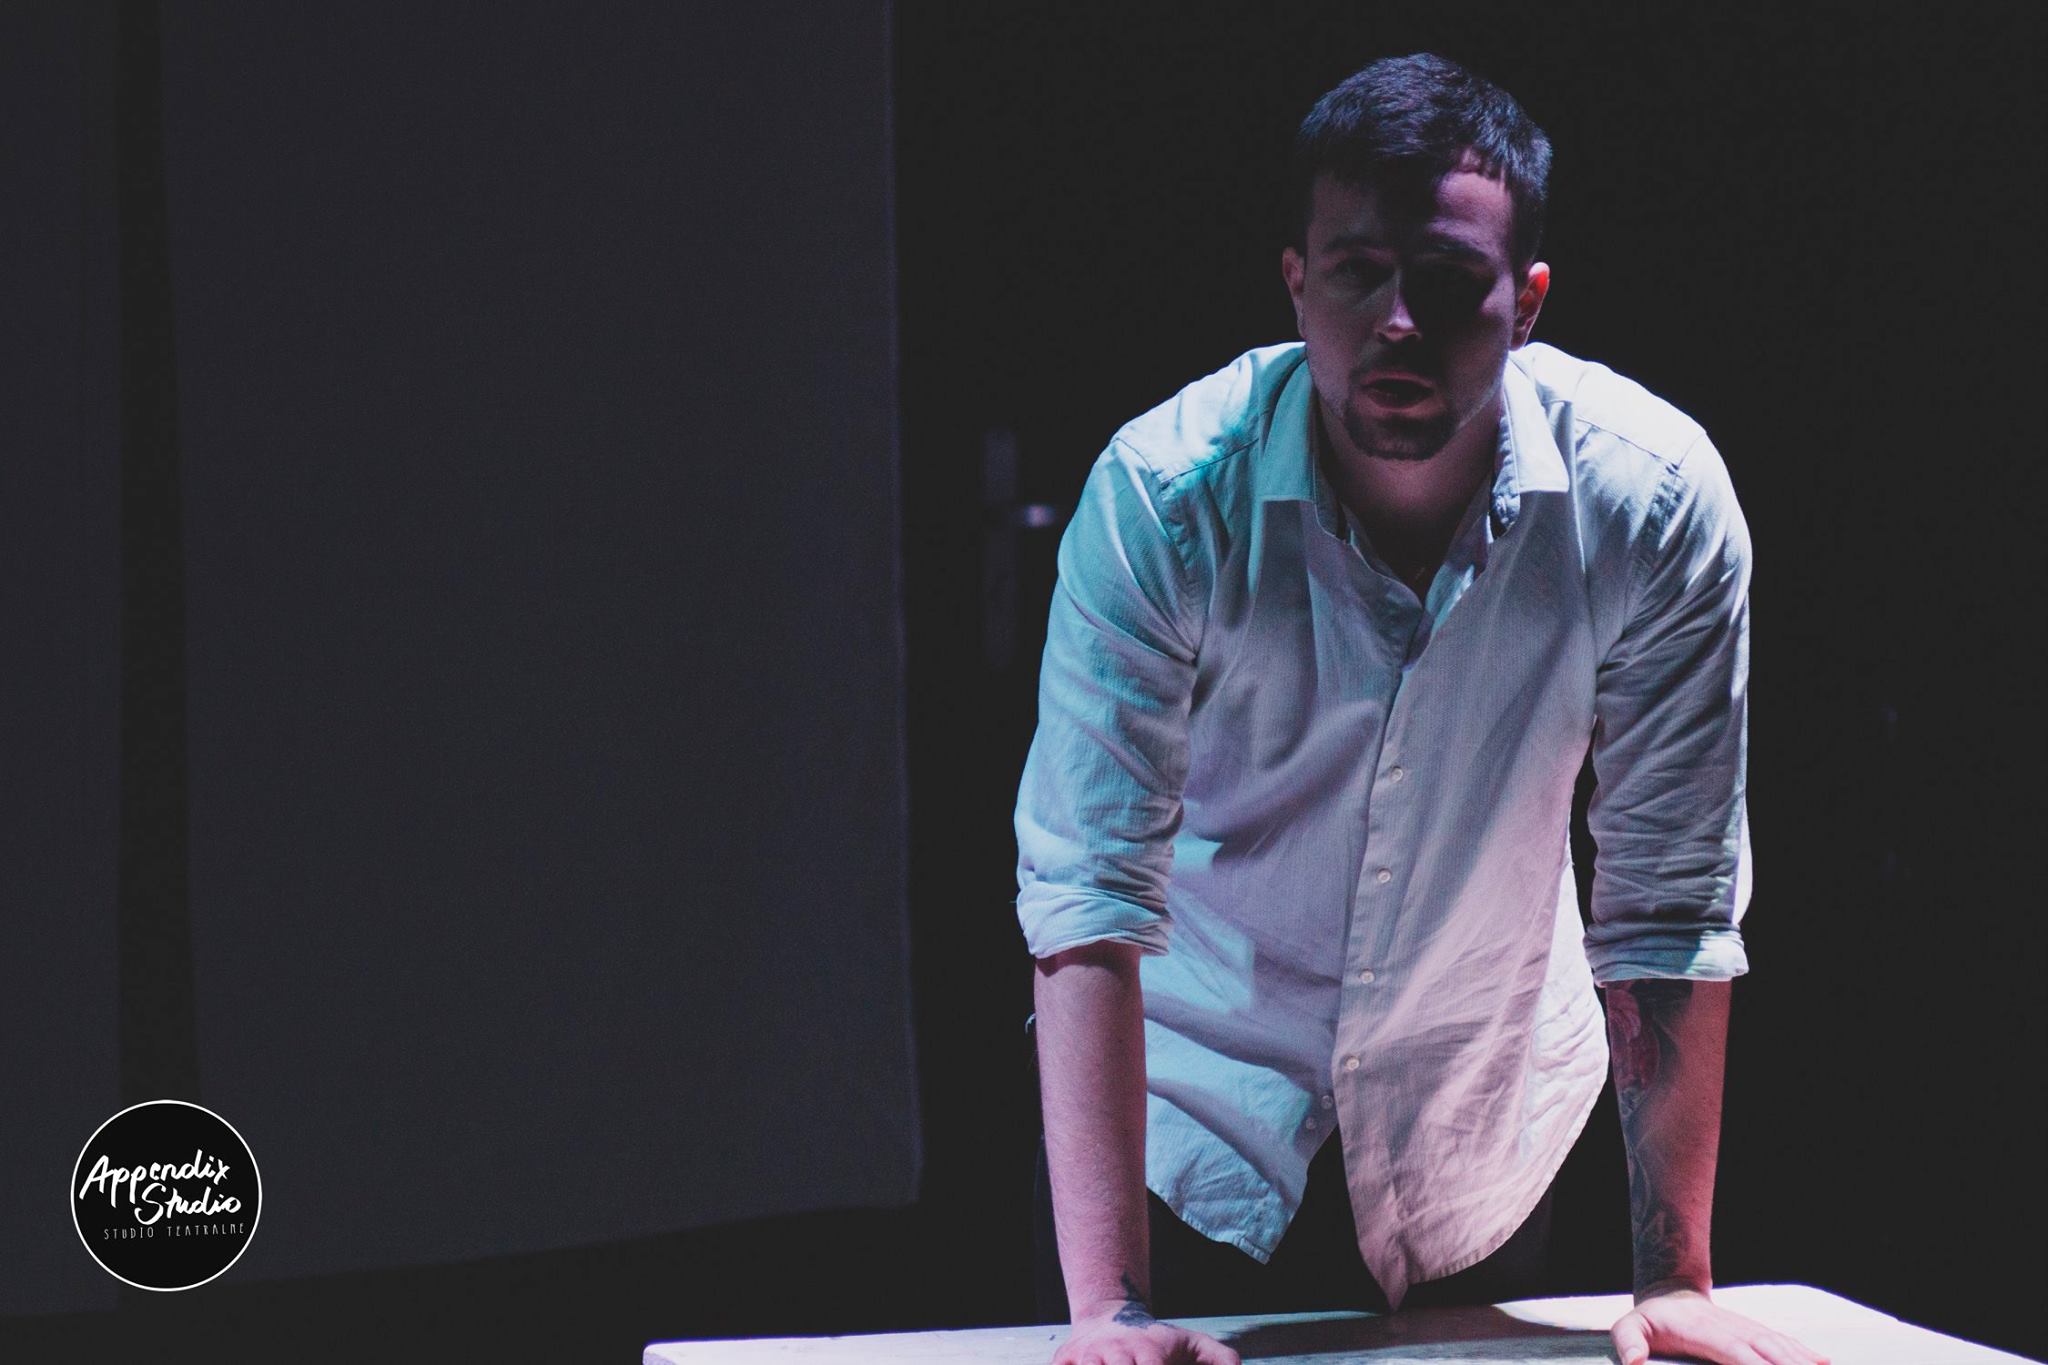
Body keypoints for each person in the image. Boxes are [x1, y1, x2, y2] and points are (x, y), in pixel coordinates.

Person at [1014, 53, 1829, 1365]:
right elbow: (1086, 892)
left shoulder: (1651, 502)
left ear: (1528, 302)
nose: (1399, 322)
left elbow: (1670, 893)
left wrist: (1674, 1275)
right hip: (1198, 1132)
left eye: (1448, 282)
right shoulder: (1165, 498)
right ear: (1296, 281)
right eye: (1358, 273)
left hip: (1483, 1130)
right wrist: (1111, 1312)